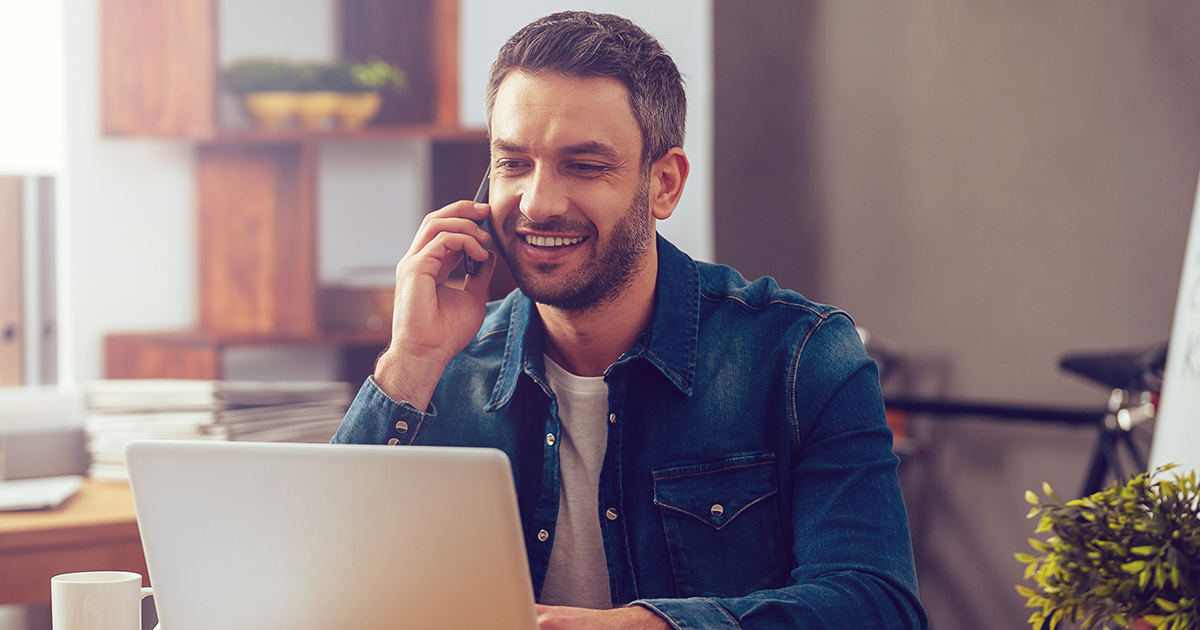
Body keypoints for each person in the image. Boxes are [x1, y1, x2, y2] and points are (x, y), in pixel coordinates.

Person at [333, 11, 927, 630]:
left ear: (664, 184)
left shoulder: (803, 357)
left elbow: (878, 605)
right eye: (513, 163)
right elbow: (322, 588)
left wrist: (645, 626)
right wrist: (410, 362)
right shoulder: (441, 368)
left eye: (584, 166)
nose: (538, 203)